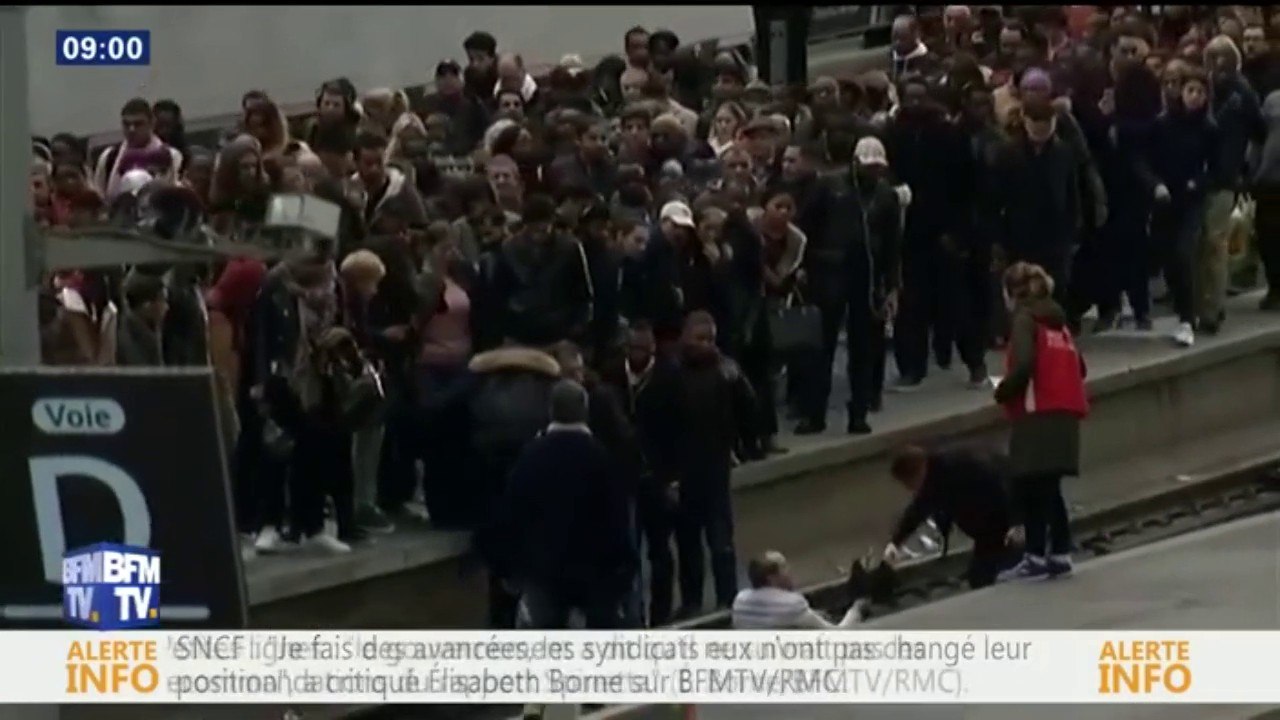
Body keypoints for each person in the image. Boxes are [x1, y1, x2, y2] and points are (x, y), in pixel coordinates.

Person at [486, 380, 638, 629]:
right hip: (593, 575)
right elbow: (617, 521)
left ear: (551, 410)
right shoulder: (600, 458)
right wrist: (623, 571)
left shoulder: (531, 457)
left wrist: (506, 567)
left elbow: (511, 513)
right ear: (585, 410)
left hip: (543, 571)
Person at [642, 311, 756, 617]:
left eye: (710, 339)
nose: (706, 345)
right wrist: (665, 476)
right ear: (685, 338)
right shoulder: (669, 373)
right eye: (699, 339)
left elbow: (748, 412)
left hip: (715, 470)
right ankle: (692, 602)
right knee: (688, 544)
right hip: (682, 473)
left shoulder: (725, 372)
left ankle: (728, 600)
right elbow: (656, 427)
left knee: (721, 543)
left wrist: (740, 383)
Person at [799, 136, 901, 435]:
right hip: (829, 272)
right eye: (868, 167)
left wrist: (893, 283)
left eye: (877, 168)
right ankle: (814, 413)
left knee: (864, 347)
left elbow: (894, 243)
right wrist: (809, 264)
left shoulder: (885, 196)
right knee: (822, 346)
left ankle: (859, 411)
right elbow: (807, 225)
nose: (873, 173)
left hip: (867, 276)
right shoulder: (829, 186)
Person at [993, 262, 1088, 581]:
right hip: (1064, 412)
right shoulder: (1058, 321)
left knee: (1032, 485)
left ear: (1011, 293)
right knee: (1047, 485)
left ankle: (1040, 555)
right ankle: (1055, 552)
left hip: (1037, 413)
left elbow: (1023, 364)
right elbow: (1081, 367)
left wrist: (1003, 391)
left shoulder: (1025, 320)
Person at [465, 343, 562, 627]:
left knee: (502, 594)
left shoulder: (483, 397)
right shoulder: (540, 396)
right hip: (533, 521)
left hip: (495, 512)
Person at [1143, 68, 1219, 347]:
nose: (1195, 97)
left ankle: (1187, 318)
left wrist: (1197, 183)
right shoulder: (1162, 124)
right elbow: (1145, 160)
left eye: (1200, 92)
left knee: (1183, 252)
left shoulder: (1209, 128)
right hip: (1165, 198)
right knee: (1165, 256)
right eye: (1190, 91)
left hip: (1192, 201)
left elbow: (1215, 167)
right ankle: (1182, 307)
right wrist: (1155, 184)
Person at [883, 445, 1020, 589]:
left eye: (907, 483)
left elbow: (1002, 486)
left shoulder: (957, 467)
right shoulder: (934, 476)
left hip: (1001, 523)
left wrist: (1016, 522)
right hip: (988, 530)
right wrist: (895, 542)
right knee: (981, 577)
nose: (909, 489)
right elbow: (917, 511)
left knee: (989, 576)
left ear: (916, 473)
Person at [732, 550, 866, 629]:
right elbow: (835, 635)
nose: (790, 571)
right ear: (772, 578)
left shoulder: (740, 602)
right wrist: (856, 610)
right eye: (784, 568)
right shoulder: (791, 605)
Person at [115, 272, 168, 367]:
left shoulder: (149, 329)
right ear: (147, 305)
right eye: (163, 300)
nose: (166, 307)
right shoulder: (129, 341)